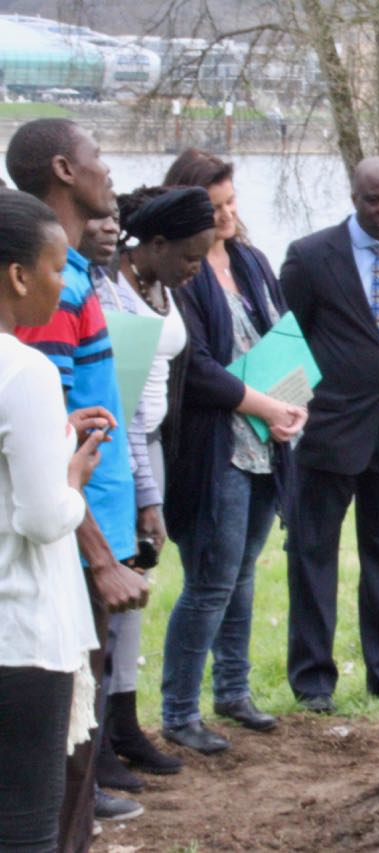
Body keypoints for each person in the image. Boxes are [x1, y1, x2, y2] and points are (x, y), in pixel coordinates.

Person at [7, 117, 151, 846]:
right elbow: (38, 471)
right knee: (53, 771)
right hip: (52, 568)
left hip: (86, 534)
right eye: (98, 157)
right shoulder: (37, 305)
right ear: (64, 169)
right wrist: (99, 555)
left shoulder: (74, 278)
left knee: (67, 762)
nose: (110, 170)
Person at [160, 149, 307, 754]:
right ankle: (177, 711)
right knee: (210, 580)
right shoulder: (184, 273)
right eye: (214, 206)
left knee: (243, 573)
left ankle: (233, 690)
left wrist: (292, 405)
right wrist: (265, 407)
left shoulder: (250, 259)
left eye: (231, 202)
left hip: (266, 441)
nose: (226, 216)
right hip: (217, 442)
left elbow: (283, 333)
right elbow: (194, 367)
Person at [280, 156, 379, 711]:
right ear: (354, 196)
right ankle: (314, 680)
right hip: (327, 432)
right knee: (313, 555)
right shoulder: (310, 256)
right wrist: (293, 414)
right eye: (375, 200)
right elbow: (288, 338)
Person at [86, 187, 216, 789]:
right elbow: (124, 398)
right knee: (108, 593)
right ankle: (98, 737)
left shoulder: (166, 289)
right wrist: (143, 488)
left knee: (137, 586)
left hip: (154, 448)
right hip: (119, 447)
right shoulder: (109, 289)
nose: (196, 269)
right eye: (190, 256)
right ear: (156, 243)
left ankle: (125, 720)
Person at [0, 189, 110, 853]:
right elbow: (42, 518)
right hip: (19, 637)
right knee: (24, 829)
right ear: (17, 275)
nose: (64, 283)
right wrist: (72, 478)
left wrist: (49, 441)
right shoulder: (27, 370)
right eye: (56, 266)